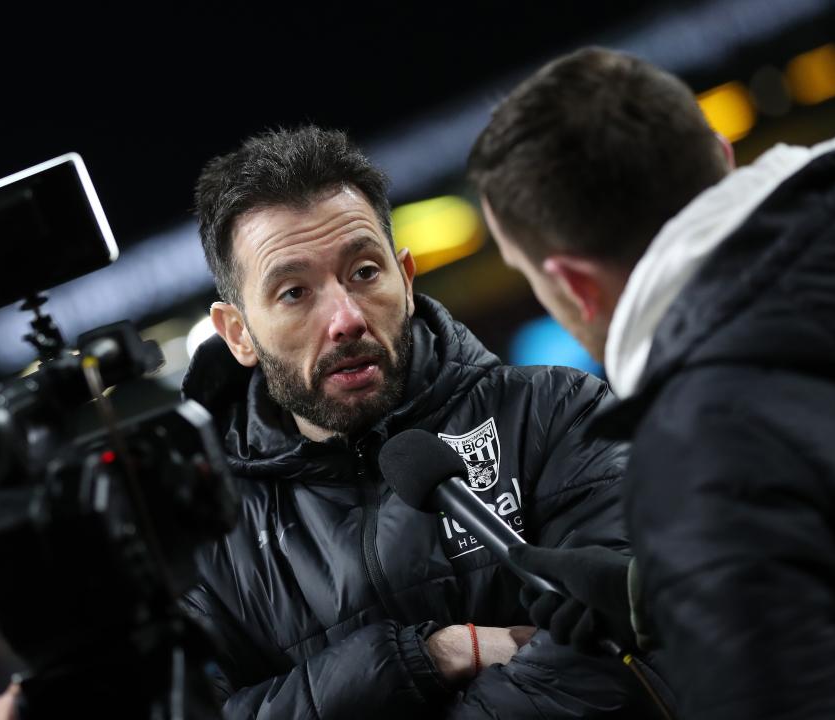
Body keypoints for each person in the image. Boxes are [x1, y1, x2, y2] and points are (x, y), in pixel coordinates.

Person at [468, 46, 835, 719]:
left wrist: (712, 545)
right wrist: (671, 592)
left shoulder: (702, 451)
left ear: (572, 285)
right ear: (722, 154)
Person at [178, 125, 666, 719]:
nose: (346, 319)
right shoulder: (202, 532)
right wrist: (425, 657)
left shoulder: (556, 413)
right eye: (293, 292)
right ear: (237, 333)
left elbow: (624, 665)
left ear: (405, 280)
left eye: (363, 272)